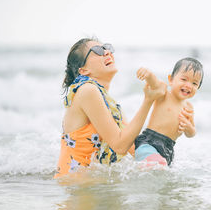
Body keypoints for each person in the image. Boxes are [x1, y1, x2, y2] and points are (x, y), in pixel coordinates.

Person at [54, 38, 165, 178]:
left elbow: (133, 146)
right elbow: (120, 145)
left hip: (93, 186)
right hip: (76, 189)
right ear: (84, 70)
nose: (107, 52)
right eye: (98, 51)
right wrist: (148, 100)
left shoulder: (111, 106)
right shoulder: (87, 90)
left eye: (107, 48)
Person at [134, 57, 204, 166]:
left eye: (194, 83)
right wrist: (148, 75)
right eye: (184, 79)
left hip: (168, 149)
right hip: (149, 142)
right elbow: (155, 84)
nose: (188, 85)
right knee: (158, 164)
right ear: (171, 80)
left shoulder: (189, 107)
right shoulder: (164, 95)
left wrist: (188, 127)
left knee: (161, 174)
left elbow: (192, 133)